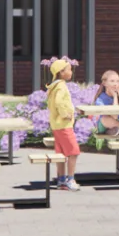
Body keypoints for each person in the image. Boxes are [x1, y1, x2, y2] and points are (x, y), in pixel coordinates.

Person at [45, 58, 82, 191]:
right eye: (69, 69)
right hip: (64, 124)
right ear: (61, 72)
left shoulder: (55, 85)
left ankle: (61, 180)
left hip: (57, 125)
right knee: (73, 152)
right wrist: (65, 113)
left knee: (61, 153)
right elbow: (59, 102)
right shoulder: (61, 86)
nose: (71, 72)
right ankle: (70, 179)